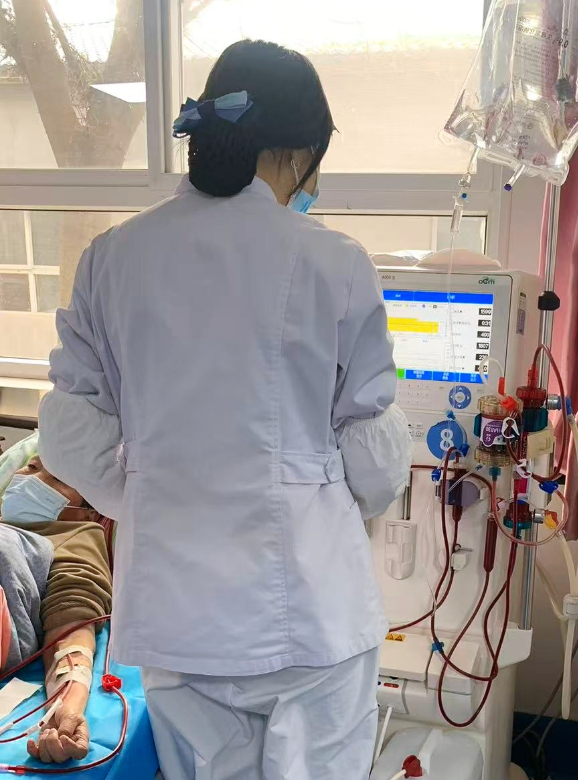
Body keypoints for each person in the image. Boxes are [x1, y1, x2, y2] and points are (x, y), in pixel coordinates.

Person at [37, 39, 412, 780]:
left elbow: (70, 432)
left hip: (178, 614)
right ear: (297, 152)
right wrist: (312, 484)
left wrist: (157, 492)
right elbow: (374, 461)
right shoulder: (334, 261)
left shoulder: (113, 256)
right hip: (311, 613)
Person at [0, 452, 113, 764]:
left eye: (59, 478)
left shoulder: (77, 533)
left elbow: (72, 615)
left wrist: (66, 706)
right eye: (32, 467)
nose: (33, 479)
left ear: (87, 511)